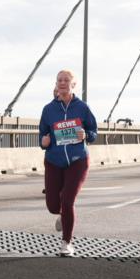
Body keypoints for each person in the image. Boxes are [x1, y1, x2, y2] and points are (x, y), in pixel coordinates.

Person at [39, 69, 98, 257]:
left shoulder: (82, 108)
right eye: (59, 80)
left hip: (77, 160)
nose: (62, 83)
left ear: (73, 84)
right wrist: (43, 141)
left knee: (67, 200)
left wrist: (86, 135)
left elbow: (93, 132)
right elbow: (42, 135)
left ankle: (67, 243)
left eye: (66, 80)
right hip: (54, 160)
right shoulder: (48, 109)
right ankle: (62, 214)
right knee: (53, 205)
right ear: (56, 84)